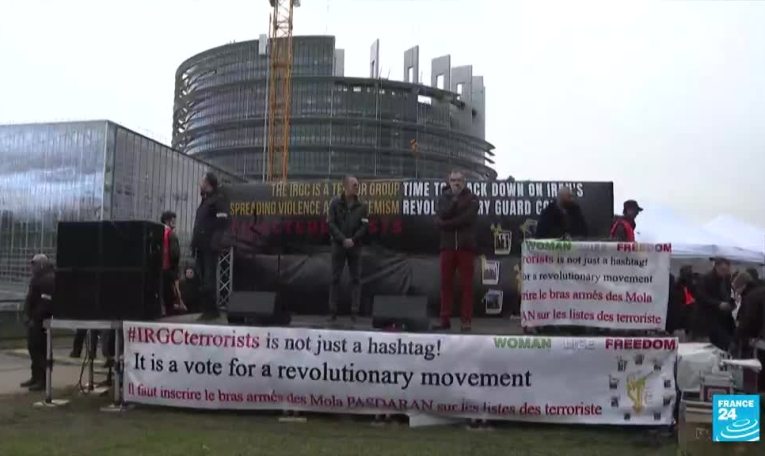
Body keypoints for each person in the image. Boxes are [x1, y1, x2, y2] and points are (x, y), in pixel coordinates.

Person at [436, 170, 479, 332]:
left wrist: (445, 224)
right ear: (449, 182)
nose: (456, 183)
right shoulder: (443, 198)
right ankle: (444, 319)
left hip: (465, 247)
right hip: (447, 247)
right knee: (445, 283)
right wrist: (453, 203)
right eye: (453, 180)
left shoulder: (473, 198)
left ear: (464, 182)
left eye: (459, 180)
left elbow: (466, 219)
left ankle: (466, 320)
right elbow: (442, 213)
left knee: (467, 285)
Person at [327, 175, 369, 321]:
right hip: (338, 246)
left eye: (358, 185)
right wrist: (342, 239)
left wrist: (353, 240)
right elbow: (331, 223)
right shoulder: (334, 203)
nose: (357, 187)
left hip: (355, 247)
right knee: (335, 278)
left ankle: (355, 311)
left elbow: (364, 226)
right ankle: (332, 310)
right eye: (354, 185)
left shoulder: (363, 206)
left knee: (356, 279)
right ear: (346, 186)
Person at [191, 172, 230, 321]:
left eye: (202, 181)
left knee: (209, 279)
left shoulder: (218, 199)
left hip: (209, 246)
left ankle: (211, 311)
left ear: (208, 183)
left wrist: (215, 241)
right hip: (200, 246)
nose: (200, 184)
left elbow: (222, 222)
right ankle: (208, 309)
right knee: (202, 279)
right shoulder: (205, 201)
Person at [21, 254, 55, 392]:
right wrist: (27, 314)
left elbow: (46, 302)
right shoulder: (35, 279)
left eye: (34, 264)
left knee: (42, 350)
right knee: (33, 348)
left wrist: (35, 317)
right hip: (33, 320)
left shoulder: (48, 279)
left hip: (42, 321)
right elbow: (29, 298)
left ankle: (43, 380)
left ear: (41, 264)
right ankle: (35, 376)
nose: (32, 267)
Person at [693, 258, 735, 350]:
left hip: (723, 318)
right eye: (723, 270)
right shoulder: (706, 279)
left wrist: (731, 303)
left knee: (724, 343)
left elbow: (727, 294)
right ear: (716, 267)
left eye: (727, 270)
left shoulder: (726, 279)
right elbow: (701, 297)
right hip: (709, 318)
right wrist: (718, 304)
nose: (725, 272)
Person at [732, 272, 765, 353]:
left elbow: (749, 320)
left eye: (737, 288)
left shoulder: (751, 297)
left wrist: (736, 336)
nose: (737, 292)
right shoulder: (760, 290)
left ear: (743, 286)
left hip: (759, 338)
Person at [161, 210, 183, 316]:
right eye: (173, 221)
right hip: (169, 268)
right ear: (167, 221)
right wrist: (175, 269)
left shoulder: (159, 231)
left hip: (159, 268)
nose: (174, 223)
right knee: (170, 294)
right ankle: (170, 314)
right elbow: (175, 254)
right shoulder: (171, 234)